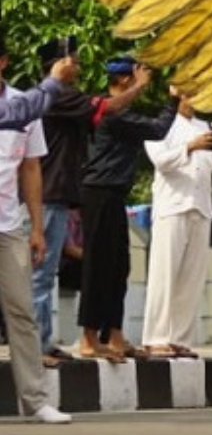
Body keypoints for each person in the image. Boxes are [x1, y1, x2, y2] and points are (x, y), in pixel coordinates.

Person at [33, 37, 152, 365]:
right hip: (50, 191)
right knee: (42, 275)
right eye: (73, 59)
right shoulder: (55, 93)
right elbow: (109, 108)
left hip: (61, 192)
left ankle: (48, 342)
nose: (79, 65)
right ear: (59, 63)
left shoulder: (62, 96)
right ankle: (41, 346)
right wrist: (140, 86)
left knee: (91, 269)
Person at [77, 55, 176, 362]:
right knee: (97, 267)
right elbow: (159, 129)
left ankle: (114, 334)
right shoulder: (113, 114)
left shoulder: (121, 114)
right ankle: (88, 338)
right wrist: (172, 101)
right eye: (136, 77)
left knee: (118, 267)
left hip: (114, 195)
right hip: (99, 193)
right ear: (123, 80)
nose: (141, 83)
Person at [0, 35, 72, 423]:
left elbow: (30, 168)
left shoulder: (23, 109)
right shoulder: (23, 106)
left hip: (8, 225)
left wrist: (37, 227)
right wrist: (52, 83)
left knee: (22, 311)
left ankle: (35, 399)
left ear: (3, 62)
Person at [140, 91, 212, 358]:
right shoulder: (161, 125)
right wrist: (191, 147)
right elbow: (161, 161)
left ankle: (180, 338)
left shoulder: (206, 126)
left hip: (201, 205)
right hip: (172, 205)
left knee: (191, 278)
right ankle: (156, 337)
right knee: (165, 274)